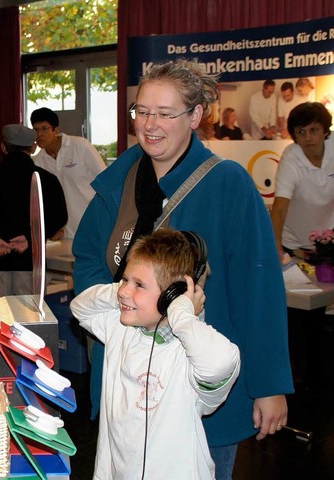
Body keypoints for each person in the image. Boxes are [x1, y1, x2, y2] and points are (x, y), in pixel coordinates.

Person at [73, 59, 293, 480]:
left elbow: (259, 287)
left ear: (195, 116)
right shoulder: (119, 181)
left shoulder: (227, 184)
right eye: (142, 111)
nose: (150, 125)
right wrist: (116, 306)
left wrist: (268, 384)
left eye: (165, 113)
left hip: (195, 383)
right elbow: (88, 258)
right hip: (129, 377)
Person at [71, 228, 240, 479]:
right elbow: (80, 307)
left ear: (173, 295)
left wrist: (181, 313)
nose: (124, 291)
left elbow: (222, 362)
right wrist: (122, 291)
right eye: (125, 279)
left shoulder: (190, 352)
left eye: (139, 285)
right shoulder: (121, 328)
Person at [0, 125, 67, 301]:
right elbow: (59, 216)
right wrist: (30, 237)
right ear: (33, 148)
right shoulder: (46, 180)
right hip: (29, 260)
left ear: (3, 147)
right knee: (28, 316)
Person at [270, 102, 334, 263]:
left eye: (314, 130)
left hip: (329, 241)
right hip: (294, 246)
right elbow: (280, 207)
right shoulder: (291, 157)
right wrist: (274, 247)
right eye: (301, 131)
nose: (307, 138)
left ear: (325, 130)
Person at [30, 107, 106, 239]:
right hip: (65, 234)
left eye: (44, 128)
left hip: (93, 226)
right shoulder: (38, 162)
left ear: (56, 130)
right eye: (36, 130)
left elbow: (106, 182)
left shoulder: (80, 146)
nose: (39, 134)